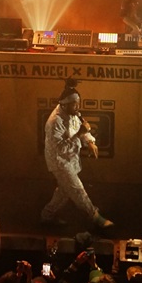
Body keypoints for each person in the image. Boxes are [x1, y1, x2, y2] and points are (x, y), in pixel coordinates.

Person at [40, 77, 113, 229]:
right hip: (59, 162)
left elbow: (81, 128)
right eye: (75, 104)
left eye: (78, 103)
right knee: (77, 189)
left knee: (64, 192)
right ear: (64, 104)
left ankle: (46, 217)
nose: (77, 107)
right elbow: (59, 148)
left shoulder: (73, 113)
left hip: (70, 159)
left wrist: (90, 141)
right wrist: (79, 134)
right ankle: (95, 217)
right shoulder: (54, 122)